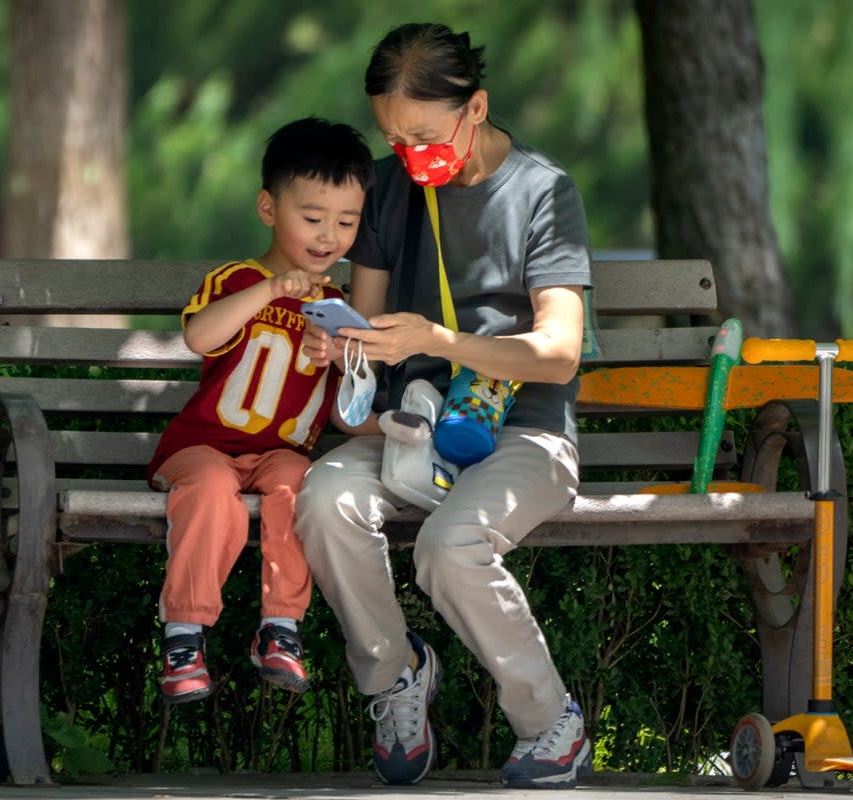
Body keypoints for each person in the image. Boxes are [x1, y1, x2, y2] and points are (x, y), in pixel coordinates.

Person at [297, 23, 593, 789]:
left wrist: (440, 340)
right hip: (410, 430)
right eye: (393, 138)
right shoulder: (390, 188)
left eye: (423, 135)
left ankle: (549, 719)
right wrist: (345, 354)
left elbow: (559, 349)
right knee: (325, 496)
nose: (407, 155)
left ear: (477, 106)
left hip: (524, 433)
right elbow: (363, 328)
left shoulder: (542, 192)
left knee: (449, 545)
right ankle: (396, 678)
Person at [146, 117, 376, 704]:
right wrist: (271, 291)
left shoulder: (337, 306)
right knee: (211, 487)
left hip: (280, 455)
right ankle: (184, 634)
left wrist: (338, 357)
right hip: (204, 447)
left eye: (346, 222)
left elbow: (354, 403)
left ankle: (281, 628)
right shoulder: (238, 281)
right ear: (268, 208)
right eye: (313, 217)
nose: (329, 236)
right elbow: (201, 336)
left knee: (301, 488)